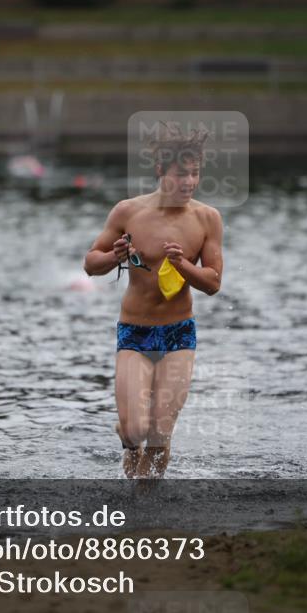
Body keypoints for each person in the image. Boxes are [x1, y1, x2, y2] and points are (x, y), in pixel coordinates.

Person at [83, 126, 223, 479]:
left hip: (179, 334)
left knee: (159, 436)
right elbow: (90, 264)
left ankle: (146, 511)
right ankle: (128, 442)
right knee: (135, 430)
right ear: (161, 171)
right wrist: (115, 257)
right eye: (182, 174)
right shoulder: (128, 212)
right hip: (135, 334)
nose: (190, 182)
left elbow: (213, 283)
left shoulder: (207, 219)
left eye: (195, 173)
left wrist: (183, 266)